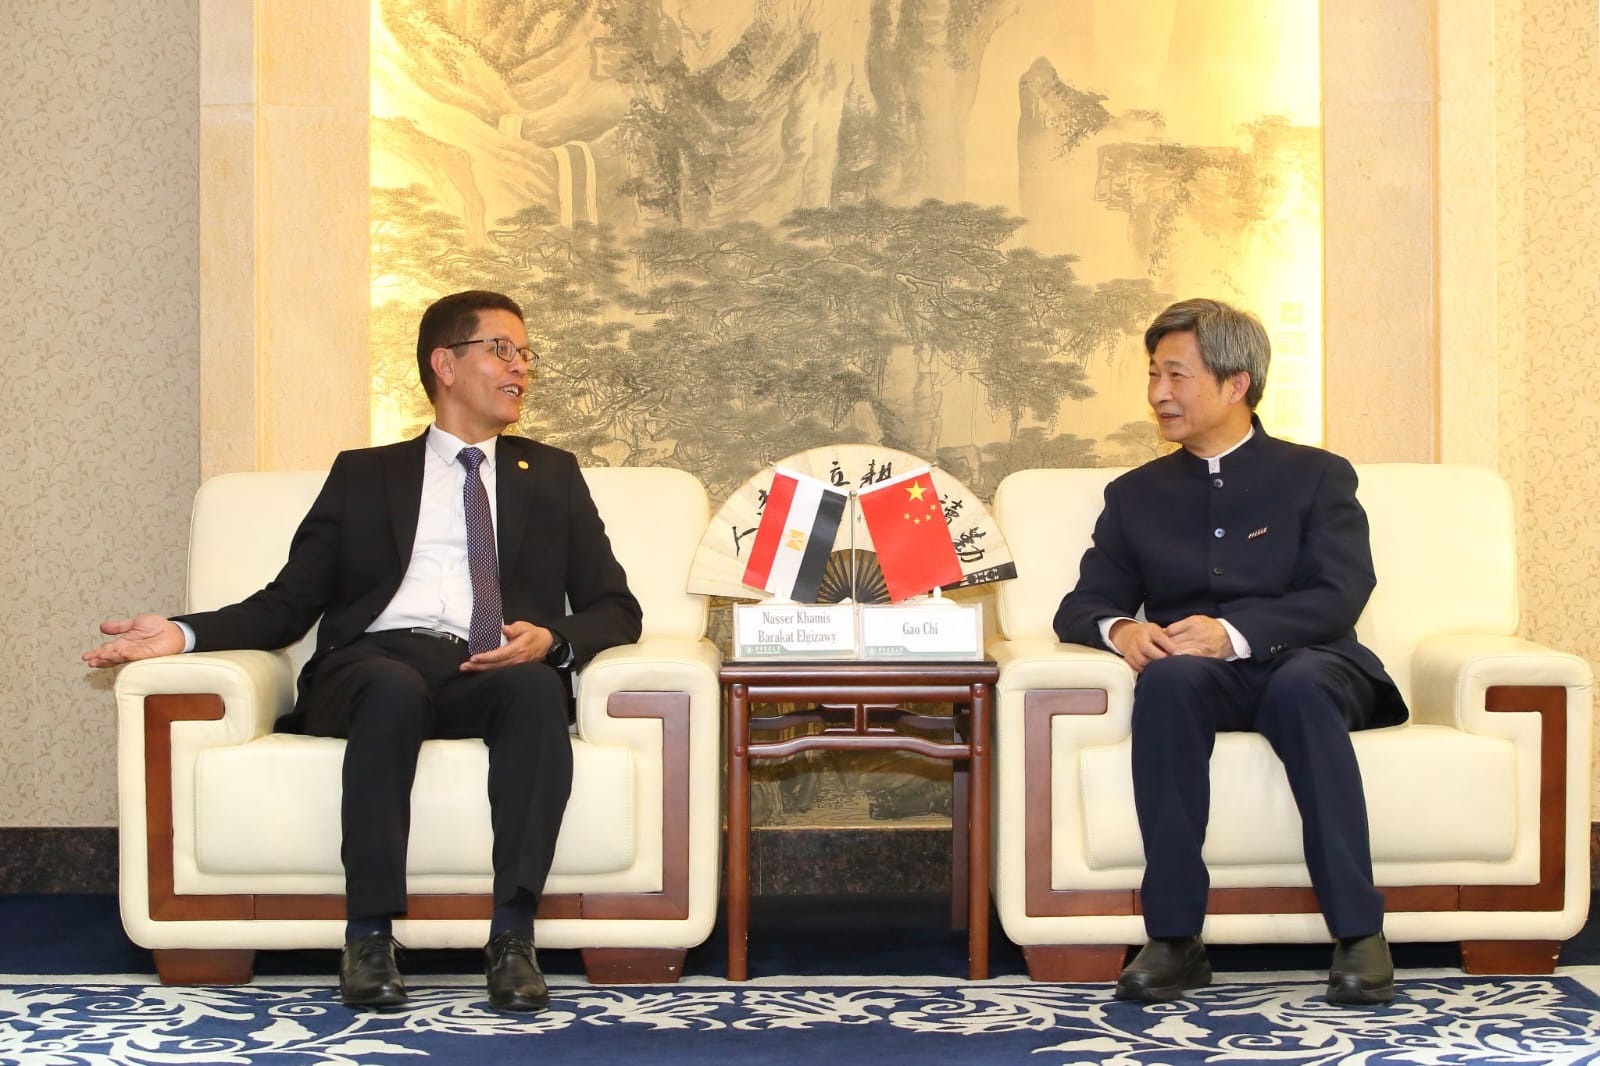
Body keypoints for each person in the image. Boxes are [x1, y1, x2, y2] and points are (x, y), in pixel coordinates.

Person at [84, 290, 643, 1013]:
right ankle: (369, 935)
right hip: (375, 662)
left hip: (488, 664)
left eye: (526, 354)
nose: (521, 368)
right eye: (502, 350)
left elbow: (616, 609)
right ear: (445, 364)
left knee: (537, 689)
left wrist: (553, 640)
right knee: (391, 688)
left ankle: (513, 935)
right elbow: (289, 602)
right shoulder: (365, 474)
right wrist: (182, 633)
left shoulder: (553, 475)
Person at [1053, 298, 1407, 1006]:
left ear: (1236, 382)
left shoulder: (1316, 475)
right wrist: (1124, 632)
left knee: (1302, 687)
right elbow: (1082, 605)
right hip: (1203, 678)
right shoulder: (1136, 495)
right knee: (1167, 684)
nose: (1159, 393)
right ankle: (1174, 939)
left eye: (1176, 375)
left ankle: (1359, 933)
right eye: (1153, 374)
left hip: (1312, 661)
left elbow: (1341, 592)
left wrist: (1236, 633)